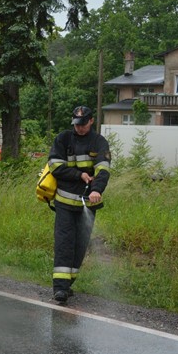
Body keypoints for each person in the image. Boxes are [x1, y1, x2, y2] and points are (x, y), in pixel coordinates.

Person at [47, 105, 111, 303]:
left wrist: (96, 190)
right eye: (76, 124)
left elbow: (103, 170)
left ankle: (68, 284)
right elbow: (55, 165)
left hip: (87, 205)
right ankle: (60, 289)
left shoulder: (99, 142)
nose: (79, 128)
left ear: (91, 121)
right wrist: (79, 174)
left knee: (80, 246)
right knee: (64, 244)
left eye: (83, 124)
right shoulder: (63, 138)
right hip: (65, 202)